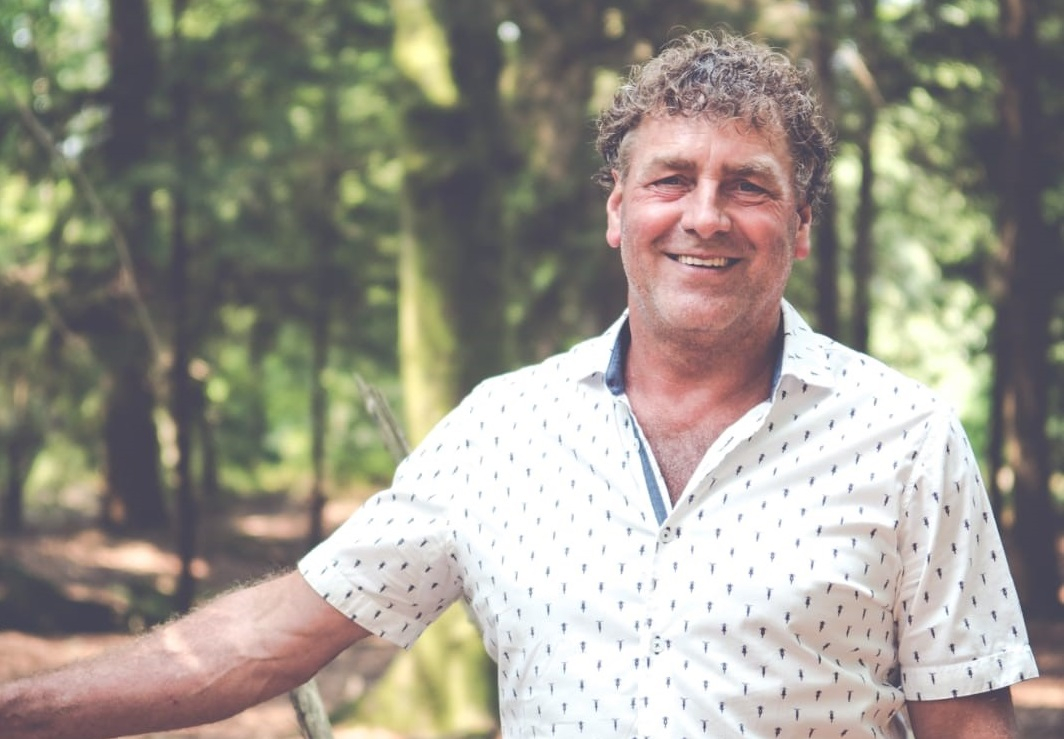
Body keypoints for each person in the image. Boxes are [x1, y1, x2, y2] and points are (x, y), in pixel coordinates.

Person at [0, 30, 1038, 739]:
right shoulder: (501, 429)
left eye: (748, 186)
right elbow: (267, 637)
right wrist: (24, 710)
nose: (705, 215)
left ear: (801, 226)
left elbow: (967, 723)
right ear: (616, 211)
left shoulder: (904, 438)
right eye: (671, 179)